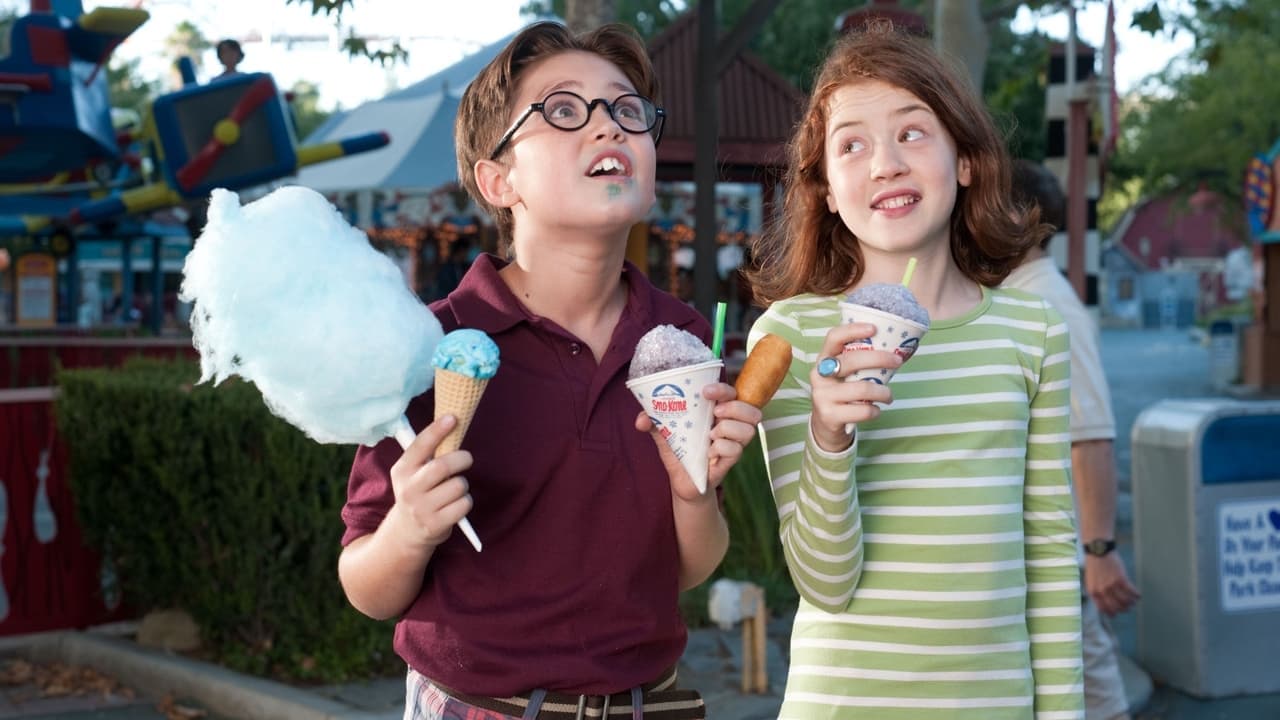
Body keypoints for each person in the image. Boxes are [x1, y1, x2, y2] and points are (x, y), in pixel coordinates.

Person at [337, 21, 760, 720]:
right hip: (477, 706)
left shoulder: (680, 341)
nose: (609, 128)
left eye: (628, 111)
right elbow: (367, 588)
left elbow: (688, 568)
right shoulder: (434, 346)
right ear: (498, 180)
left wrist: (693, 497)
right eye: (564, 111)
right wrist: (410, 528)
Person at [744, 23, 1084, 719]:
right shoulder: (792, 335)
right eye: (852, 145)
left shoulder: (1032, 332)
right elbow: (823, 583)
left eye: (912, 133)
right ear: (829, 192)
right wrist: (828, 436)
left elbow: (1049, 555)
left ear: (964, 160)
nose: (885, 164)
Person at [1005, 158, 1140, 720]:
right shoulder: (1019, 297)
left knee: (1090, 689)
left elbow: (1092, 437)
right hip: (1034, 550)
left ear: (1020, 217)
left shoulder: (1048, 305)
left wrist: (1100, 550)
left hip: (1053, 550)